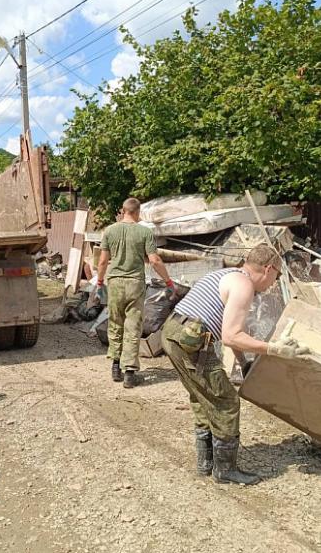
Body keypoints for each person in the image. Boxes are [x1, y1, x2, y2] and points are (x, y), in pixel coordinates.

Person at [161, 243, 309, 485]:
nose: (273, 283)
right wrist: (273, 349)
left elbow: (228, 331)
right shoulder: (244, 285)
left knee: (203, 396)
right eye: (276, 276)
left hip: (175, 332)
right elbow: (231, 336)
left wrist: (243, 362)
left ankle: (206, 463)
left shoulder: (227, 275)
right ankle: (225, 470)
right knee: (226, 401)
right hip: (190, 339)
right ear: (269, 268)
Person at [97, 197, 176, 388]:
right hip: (135, 284)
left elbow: (102, 261)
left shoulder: (109, 231)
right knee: (133, 327)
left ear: (123, 211)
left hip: (115, 283)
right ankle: (130, 373)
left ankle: (116, 365)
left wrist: (99, 282)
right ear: (138, 212)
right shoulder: (145, 232)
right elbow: (155, 260)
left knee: (115, 324)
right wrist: (168, 281)